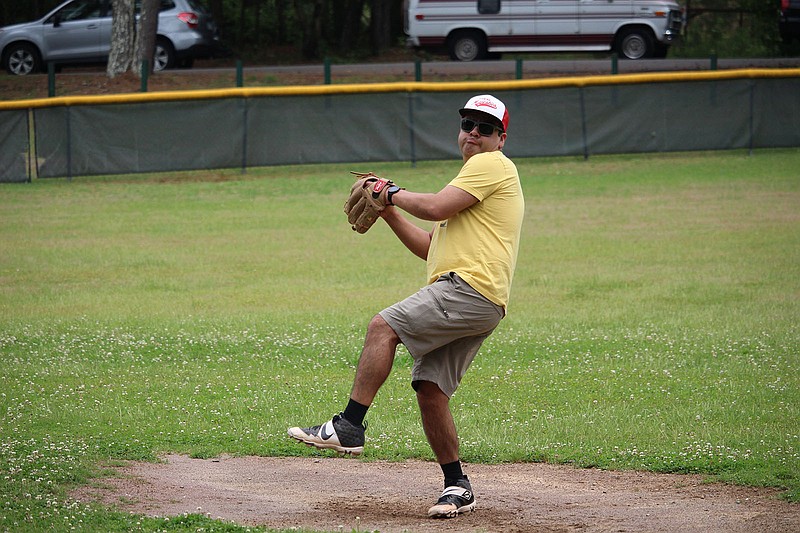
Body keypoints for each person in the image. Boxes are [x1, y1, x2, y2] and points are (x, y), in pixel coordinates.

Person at [288, 94, 524, 519]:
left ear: (500, 139)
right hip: (481, 298)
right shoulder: (471, 184)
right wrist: (388, 212)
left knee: (384, 327)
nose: (473, 132)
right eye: (468, 124)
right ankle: (457, 485)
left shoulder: (489, 166)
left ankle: (349, 426)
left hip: (468, 290)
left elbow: (432, 205)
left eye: (484, 128)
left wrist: (389, 191)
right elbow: (431, 247)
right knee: (431, 390)